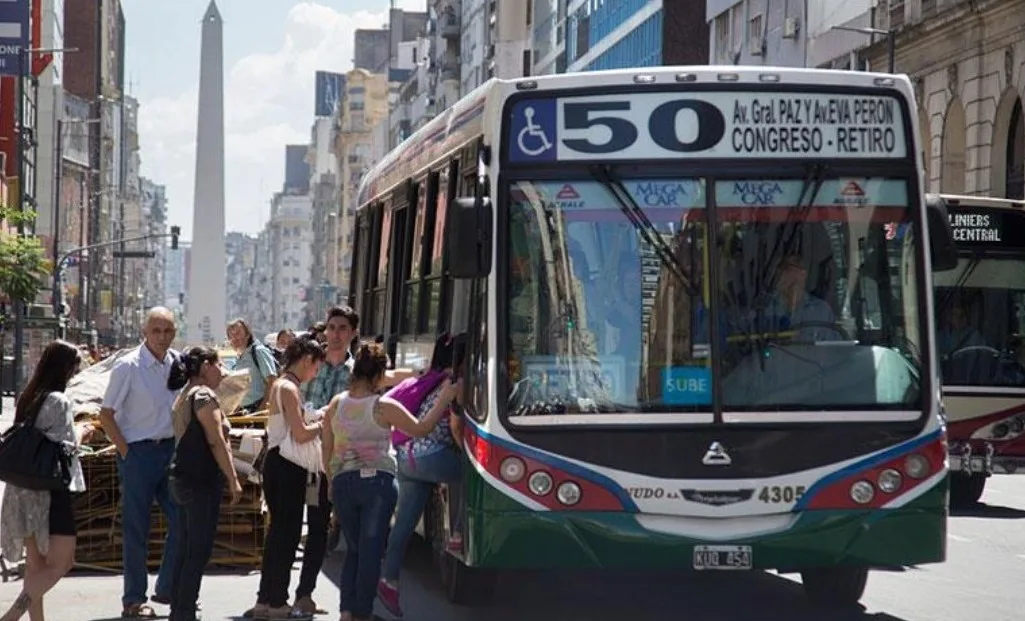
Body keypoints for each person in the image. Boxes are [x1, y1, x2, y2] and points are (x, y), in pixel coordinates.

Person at [321, 342, 450, 621]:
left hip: (343, 483)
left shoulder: (335, 405)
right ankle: (363, 613)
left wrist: (332, 482)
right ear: (379, 374)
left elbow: (327, 449)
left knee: (354, 550)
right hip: (377, 485)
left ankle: (346, 611)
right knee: (371, 551)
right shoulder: (383, 406)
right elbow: (421, 428)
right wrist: (445, 397)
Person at [99, 307, 181, 618]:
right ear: (145, 333)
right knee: (136, 529)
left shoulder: (177, 364)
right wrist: (126, 452)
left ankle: (167, 588)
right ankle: (133, 598)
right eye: (156, 331)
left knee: (182, 520)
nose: (162, 337)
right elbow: (105, 415)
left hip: (169, 451)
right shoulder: (128, 366)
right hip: (138, 454)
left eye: (168, 331)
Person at [378, 335, 466, 618]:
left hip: (407, 456)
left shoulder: (430, 380)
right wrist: (465, 452)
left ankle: (388, 580)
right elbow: (455, 425)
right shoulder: (455, 385)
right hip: (432, 455)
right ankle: (458, 533)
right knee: (476, 475)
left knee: (404, 523)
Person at [0, 340, 85, 621]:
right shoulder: (58, 400)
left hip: (23, 488)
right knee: (62, 561)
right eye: (74, 366)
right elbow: (65, 447)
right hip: (50, 491)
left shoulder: (29, 395)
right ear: (64, 368)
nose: (75, 372)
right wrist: (83, 432)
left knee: (36, 566)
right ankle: (12, 615)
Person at [246, 338, 326, 620]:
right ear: (306, 360)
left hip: (278, 465)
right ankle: (278, 601)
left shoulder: (281, 386)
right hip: (287, 466)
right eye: (316, 367)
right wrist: (323, 422)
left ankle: (265, 601)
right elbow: (301, 433)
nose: (315, 373)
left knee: (278, 532)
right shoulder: (289, 388)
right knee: (287, 534)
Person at [166, 347, 243, 621]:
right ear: (206, 366)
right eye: (219, 364)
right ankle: (185, 610)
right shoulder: (203, 396)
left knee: (187, 547)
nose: (222, 370)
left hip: (182, 479)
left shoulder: (185, 395)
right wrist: (233, 479)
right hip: (199, 481)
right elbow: (215, 440)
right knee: (197, 550)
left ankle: (180, 607)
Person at [292, 306, 359, 616]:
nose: (335, 334)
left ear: (352, 334)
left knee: (337, 531)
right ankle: (297, 594)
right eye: (331, 327)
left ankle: (348, 602)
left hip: (341, 460)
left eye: (342, 328)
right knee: (305, 527)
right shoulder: (310, 366)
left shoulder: (357, 373)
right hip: (305, 455)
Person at [756, 252, 838, 342]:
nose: (791, 276)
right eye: (784, 269)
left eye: (798, 271)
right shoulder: (764, 307)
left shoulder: (821, 310)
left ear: (804, 274)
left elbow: (833, 347)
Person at [228, 318, 279, 413]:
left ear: (247, 334)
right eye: (231, 335)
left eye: (238, 333)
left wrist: (262, 408)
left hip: (259, 409)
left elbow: (272, 380)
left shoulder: (259, 351)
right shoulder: (239, 358)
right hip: (245, 411)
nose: (234, 337)